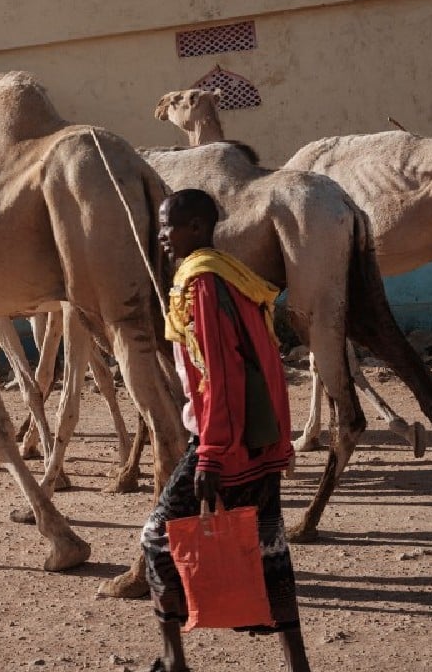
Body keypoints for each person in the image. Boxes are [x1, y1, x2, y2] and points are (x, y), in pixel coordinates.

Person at [141, 188, 310, 672]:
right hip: (257, 439)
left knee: (157, 536)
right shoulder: (230, 277)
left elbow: (221, 372)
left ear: (197, 228)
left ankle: (174, 660)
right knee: (270, 546)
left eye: (169, 225)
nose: (163, 235)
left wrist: (211, 453)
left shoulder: (203, 285)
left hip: (225, 441)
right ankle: (297, 664)